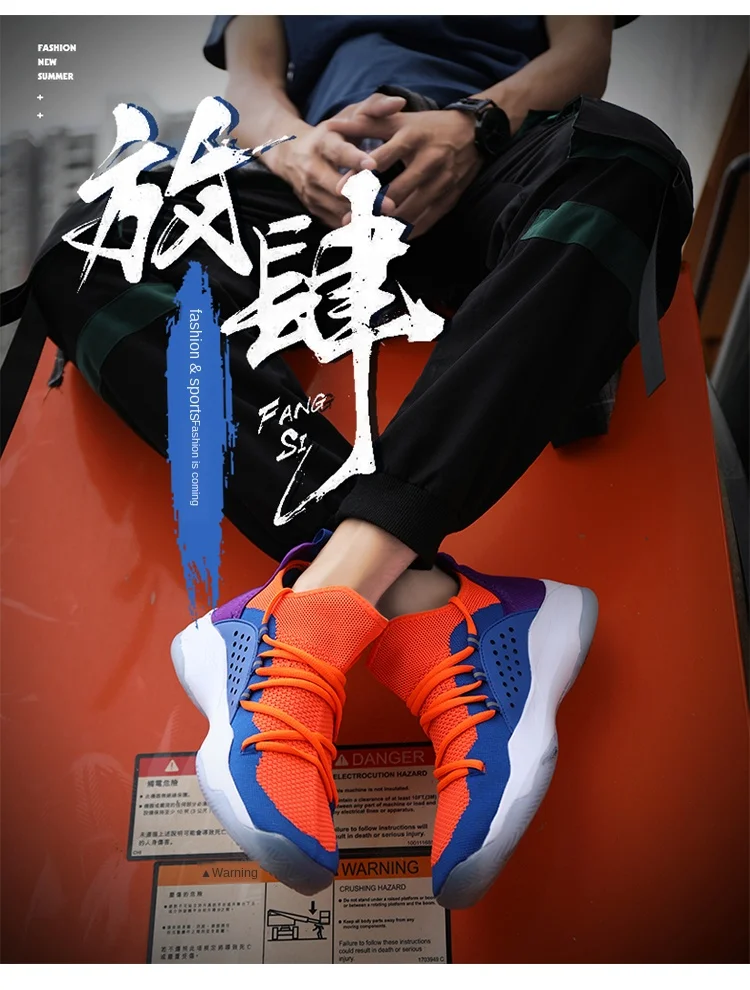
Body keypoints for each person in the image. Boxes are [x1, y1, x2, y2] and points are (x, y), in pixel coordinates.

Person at [14, 15, 693, 909]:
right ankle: (431, 608)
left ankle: (309, 624)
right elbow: (252, 86)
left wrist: (476, 125)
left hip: (497, 165)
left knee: (629, 156)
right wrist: (291, 149)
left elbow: (583, 56)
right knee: (96, 240)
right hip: (316, 194)